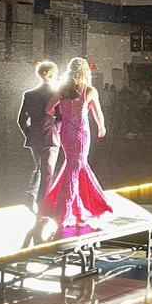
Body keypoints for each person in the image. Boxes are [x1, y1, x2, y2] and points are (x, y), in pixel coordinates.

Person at [43, 57, 113, 227]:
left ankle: (77, 211)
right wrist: (101, 127)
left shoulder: (63, 90)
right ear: (85, 72)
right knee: (76, 168)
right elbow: (98, 113)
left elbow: (48, 109)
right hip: (81, 133)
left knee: (73, 167)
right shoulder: (89, 90)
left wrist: (60, 114)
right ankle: (63, 212)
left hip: (66, 132)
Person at [18, 61, 61, 214]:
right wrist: (57, 130)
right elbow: (60, 117)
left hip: (35, 134)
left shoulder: (29, 95)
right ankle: (43, 204)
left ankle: (31, 197)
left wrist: (28, 132)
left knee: (40, 168)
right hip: (50, 135)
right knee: (48, 171)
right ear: (51, 74)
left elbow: (21, 119)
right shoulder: (55, 94)